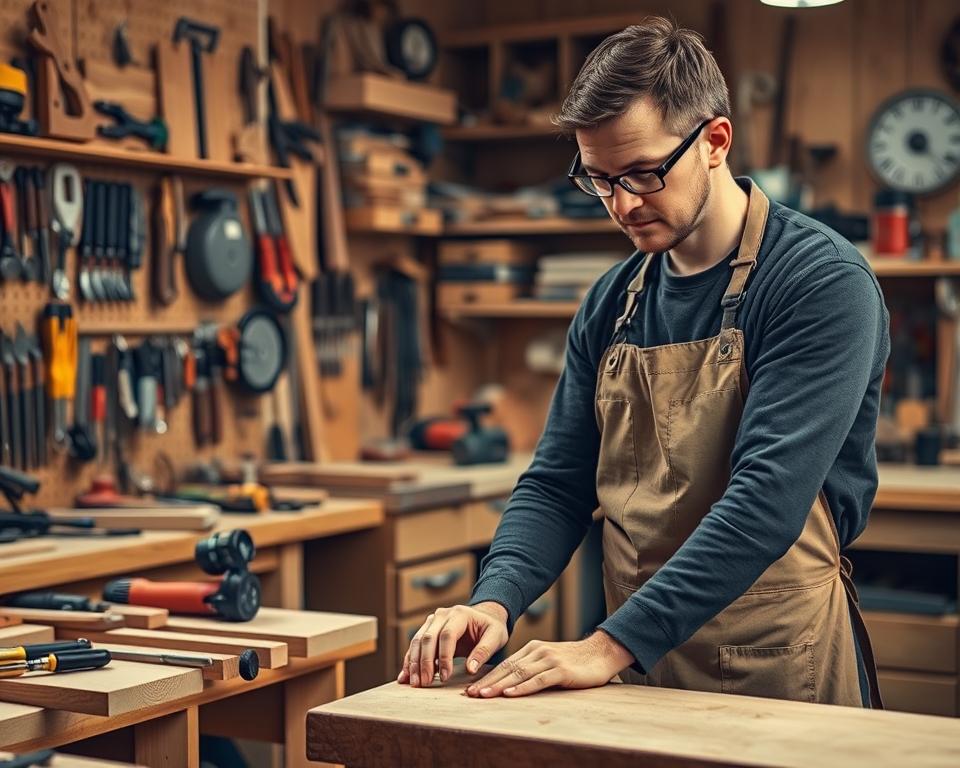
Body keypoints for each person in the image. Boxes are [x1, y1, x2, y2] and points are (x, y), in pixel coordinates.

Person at [398, 16, 889, 707]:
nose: (623, 205)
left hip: (777, 668)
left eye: (644, 173)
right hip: (638, 666)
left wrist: (604, 644)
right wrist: (496, 599)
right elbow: (559, 481)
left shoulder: (819, 283)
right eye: (599, 179)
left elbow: (764, 505)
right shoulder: (611, 302)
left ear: (715, 141)